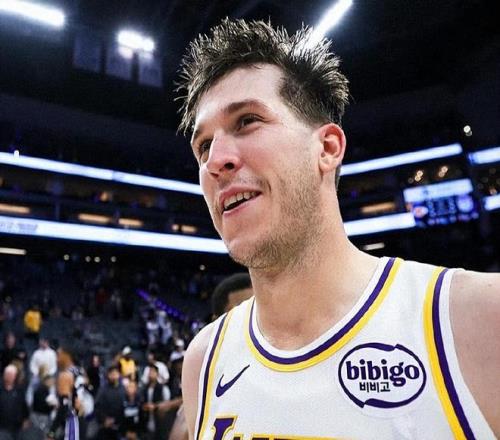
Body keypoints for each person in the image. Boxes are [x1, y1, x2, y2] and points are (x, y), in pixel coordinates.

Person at [176, 19, 500, 439]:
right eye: (203, 146)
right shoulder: (203, 362)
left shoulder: (478, 318)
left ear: (327, 148)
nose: (215, 160)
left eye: (247, 121)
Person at [94, 364, 125, 440]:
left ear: (119, 375)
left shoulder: (123, 389)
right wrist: (104, 419)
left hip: (120, 425)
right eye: (112, 373)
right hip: (105, 425)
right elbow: (97, 406)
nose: (114, 376)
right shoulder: (102, 390)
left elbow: (124, 406)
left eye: (116, 373)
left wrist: (117, 420)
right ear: (108, 375)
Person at [0, 364, 29, 439]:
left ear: (15, 376)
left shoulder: (19, 390)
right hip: (2, 426)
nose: (9, 376)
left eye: (11, 375)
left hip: (17, 426)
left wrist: (26, 418)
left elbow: (24, 405)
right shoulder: (1, 388)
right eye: (7, 374)